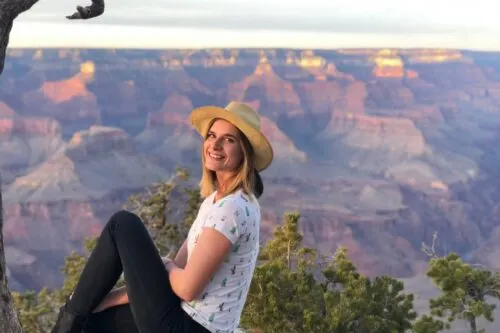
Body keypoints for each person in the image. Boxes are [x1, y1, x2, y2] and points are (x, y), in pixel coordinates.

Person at [51, 101, 274, 333]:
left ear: (244, 152)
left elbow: (186, 288)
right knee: (90, 320)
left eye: (229, 140)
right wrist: (99, 301)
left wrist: (165, 265)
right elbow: (166, 281)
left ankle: (69, 316)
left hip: (191, 326)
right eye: (211, 135)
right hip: (182, 317)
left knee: (123, 225)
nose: (215, 145)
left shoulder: (232, 208)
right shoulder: (215, 201)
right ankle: (72, 314)